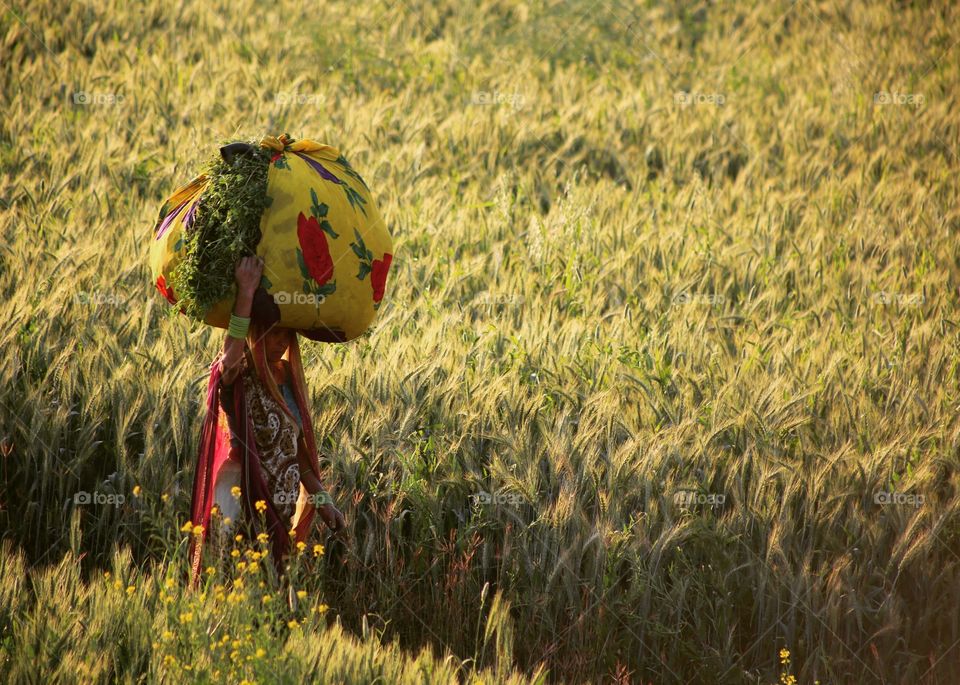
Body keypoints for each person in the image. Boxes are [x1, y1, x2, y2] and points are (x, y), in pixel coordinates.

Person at [187, 255, 345, 586]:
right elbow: (228, 356)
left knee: (266, 602)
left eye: (286, 336)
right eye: (271, 334)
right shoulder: (241, 374)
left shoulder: (288, 377)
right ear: (256, 331)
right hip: (237, 504)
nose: (279, 343)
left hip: (279, 511)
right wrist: (246, 293)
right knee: (228, 595)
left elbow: (297, 460)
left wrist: (324, 501)